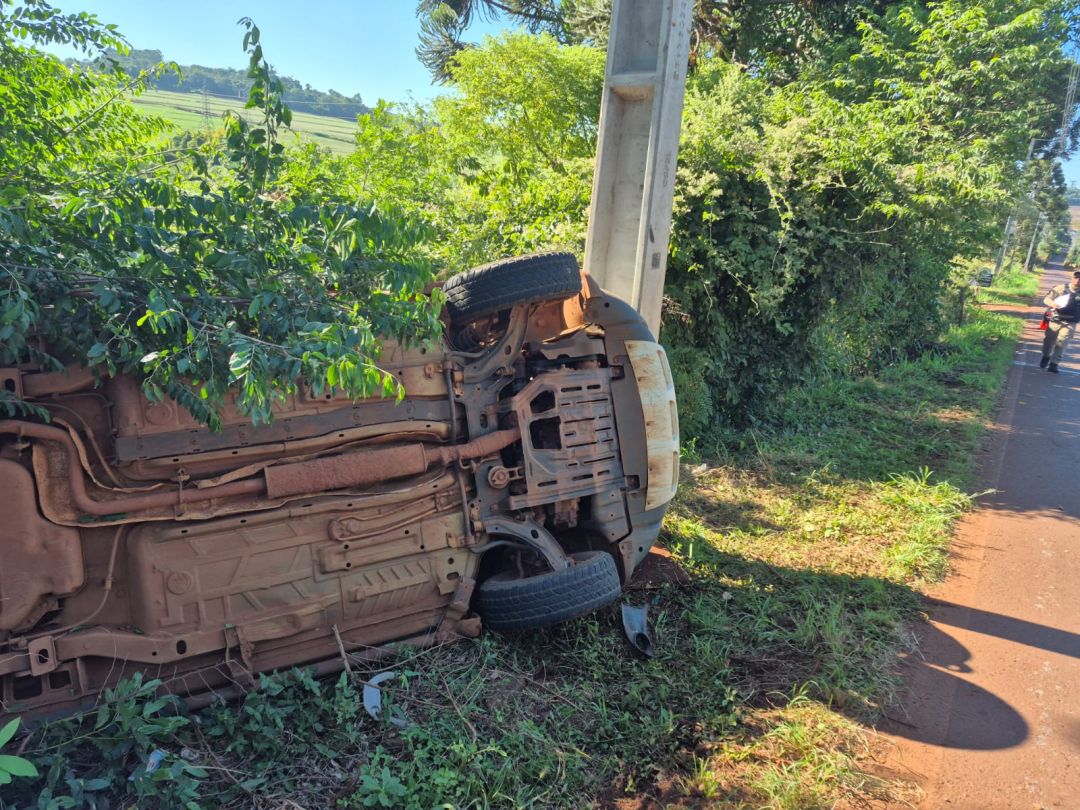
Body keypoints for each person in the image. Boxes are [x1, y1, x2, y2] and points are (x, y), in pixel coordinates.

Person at [1040, 270, 1080, 373]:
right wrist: (1053, 304)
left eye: (1079, 278)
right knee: (1049, 341)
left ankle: (1054, 364)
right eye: (1076, 277)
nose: (1078, 280)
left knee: (1062, 342)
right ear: (1072, 278)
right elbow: (1046, 299)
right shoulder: (1061, 288)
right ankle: (1046, 356)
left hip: (1070, 322)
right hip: (1055, 320)